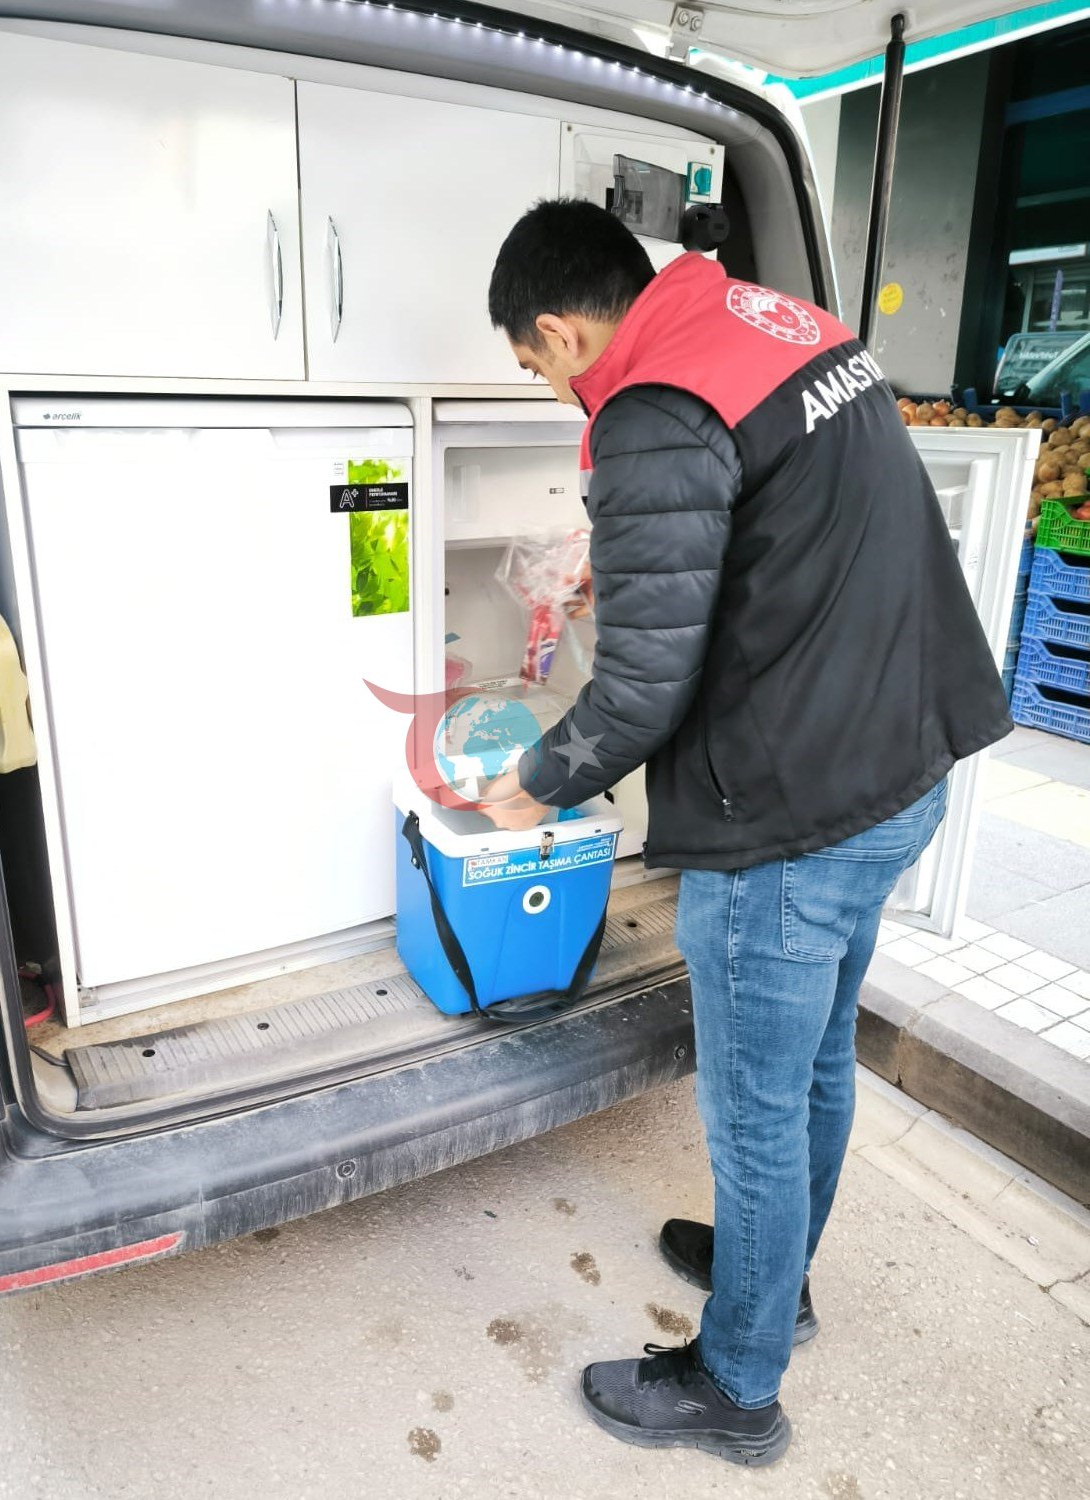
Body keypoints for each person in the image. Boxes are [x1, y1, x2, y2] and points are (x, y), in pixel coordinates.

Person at [481, 199, 1013, 1467]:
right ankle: (783, 1278)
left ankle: (737, 1384)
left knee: (755, 1112)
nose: (555, 389)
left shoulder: (649, 406)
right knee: (821, 1059)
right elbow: (791, 536)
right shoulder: (779, 324)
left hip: (792, 818)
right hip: (902, 765)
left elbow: (642, 690)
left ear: (559, 327)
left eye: (535, 364)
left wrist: (539, 781)